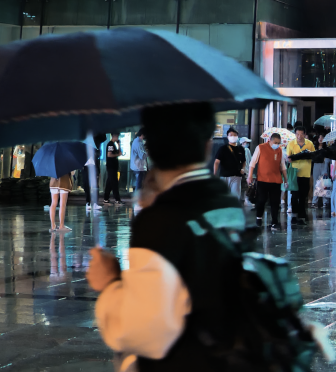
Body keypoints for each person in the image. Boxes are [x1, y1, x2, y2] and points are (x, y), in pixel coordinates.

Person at [88, 102, 249, 371]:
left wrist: (110, 284)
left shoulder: (161, 219)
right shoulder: (227, 202)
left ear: (153, 147)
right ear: (208, 144)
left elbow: (145, 332)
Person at [249, 133, 288, 229]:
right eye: (275, 142)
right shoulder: (260, 147)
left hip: (276, 180)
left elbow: (282, 166)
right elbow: (253, 162)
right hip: (263, 179)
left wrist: (286, 179)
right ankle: (259, 217)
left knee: (275, 202)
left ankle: (275, 221)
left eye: (278, 143)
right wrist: (250, 176)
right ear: (270, 140)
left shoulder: (280, 150)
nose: (277, 144)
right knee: (261, 200)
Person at [286, 126, 315, 225]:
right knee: (294, 195)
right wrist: (300, 156)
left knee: (303, 195)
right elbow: (288, 158)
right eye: (297, 134)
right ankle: (294, 215)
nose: (299, 136)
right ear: (295, 134)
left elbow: (313, 156)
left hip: (306, 173)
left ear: (305, 134)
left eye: (301, 134)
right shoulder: (291, 144)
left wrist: (306, 155)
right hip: (295, 173)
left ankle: (302, 215)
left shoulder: (309, 144)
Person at [213, 128, 246, 200]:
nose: (233, 137)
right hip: (224, 176)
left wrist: (243, 168)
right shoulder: (223, 148)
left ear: (237, 136)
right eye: (231, 135)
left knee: (235, 196)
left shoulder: (241, 149)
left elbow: (244, 161)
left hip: (236, 176)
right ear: (227, 137)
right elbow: (216, 162)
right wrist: (215, 174)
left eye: (235, 135)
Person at [104, 133, 124, 206]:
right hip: (111, 166)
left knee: (109, 183)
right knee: (114, 183)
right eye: (117, 136)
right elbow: (109, 155)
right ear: (114, 136)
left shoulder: (114, 144)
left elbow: (120, 152)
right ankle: (117, 200)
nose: (118, 137)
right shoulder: (110, 144)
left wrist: (119, 145)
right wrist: (117, 155)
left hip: (114, 166)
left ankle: (106, 199)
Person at [310, 133, 328, 208]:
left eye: (322, 137)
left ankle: (325, 202)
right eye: (319, 137)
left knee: (324, 183)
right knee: (316, 183)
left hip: (324, 165)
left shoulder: (327, 149)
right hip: (316, 165)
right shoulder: (314, 148)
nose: (320, 139)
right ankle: (314, 201)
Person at [239, 137, 254, 207]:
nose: (247, 144)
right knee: (244, 186)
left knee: (245, 187)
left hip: (245, 171)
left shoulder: (246, 150)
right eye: (246, 142)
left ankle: (244, 199)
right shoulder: (242, 150)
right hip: (244, 171)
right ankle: (244, 200)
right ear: (242, 143)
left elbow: (250, 160)